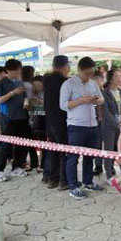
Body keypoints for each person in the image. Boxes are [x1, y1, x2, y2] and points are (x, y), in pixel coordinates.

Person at [60, 56, 105, 200]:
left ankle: (88, 182)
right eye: (87, 73)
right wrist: (81, 101)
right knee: (73, 157)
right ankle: (73, 186)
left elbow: (102, 99)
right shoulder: (68, 84)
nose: (89, 76)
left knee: (89, 156)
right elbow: (63, 105)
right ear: (79, 70)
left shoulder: (92, 83)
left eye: (91, 73)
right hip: (76, 125)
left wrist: (96, 100)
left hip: (92, 124)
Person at [0, 59, 31, 182]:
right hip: (8, 118)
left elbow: (26, 97)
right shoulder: (0, 84)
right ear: (8, 71)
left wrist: (26, 102)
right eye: (15, 71)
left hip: (22, 117)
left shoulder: (21, 82)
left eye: (19, 71)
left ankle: (17, 166)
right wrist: (12, 93)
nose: (18, 73)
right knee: (6, 145)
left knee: (22, 143)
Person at [43, 56, 70, 190]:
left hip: (49, 122)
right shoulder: (64, 82)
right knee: (64, 151)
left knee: (53, 151)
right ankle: (63, 181)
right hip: (61, 121)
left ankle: (52, 179)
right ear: (65, 66)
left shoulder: (47, 80)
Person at [101, 69, 121, 192]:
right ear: (111, 79)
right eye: (117, 76)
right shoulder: (105, 93)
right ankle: (109, 175)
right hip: (109, 126)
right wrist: (117, 123)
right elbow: (106, 112)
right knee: (109, 150)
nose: (120, 78)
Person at [22, 65, 38, 170]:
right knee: (31, 140)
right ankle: (35, 163)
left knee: (25, 140)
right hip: (33, 114)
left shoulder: (22, 85)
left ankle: (27, 162)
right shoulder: (31, 86)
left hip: (24, 115)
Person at [29, 75, 45, 173]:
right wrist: (29, 104)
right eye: (35, 85)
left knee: (43, 144)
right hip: (32, 121)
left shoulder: (47, 94)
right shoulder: (30, 94)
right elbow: (30, 109)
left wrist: (41, 102)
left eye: (39, 85)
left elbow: (50, 106)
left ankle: (42, 164)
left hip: (44, 120)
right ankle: (34, 163)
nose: (37, 87)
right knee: (31, 143)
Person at [92, 70, 105, 176]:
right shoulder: (91, 94)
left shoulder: (106, 93)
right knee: (97, 144)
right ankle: (98, 165)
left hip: (107, 123)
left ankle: (110, 166)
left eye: (98, 81)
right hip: (95, 122)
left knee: (110, 145)